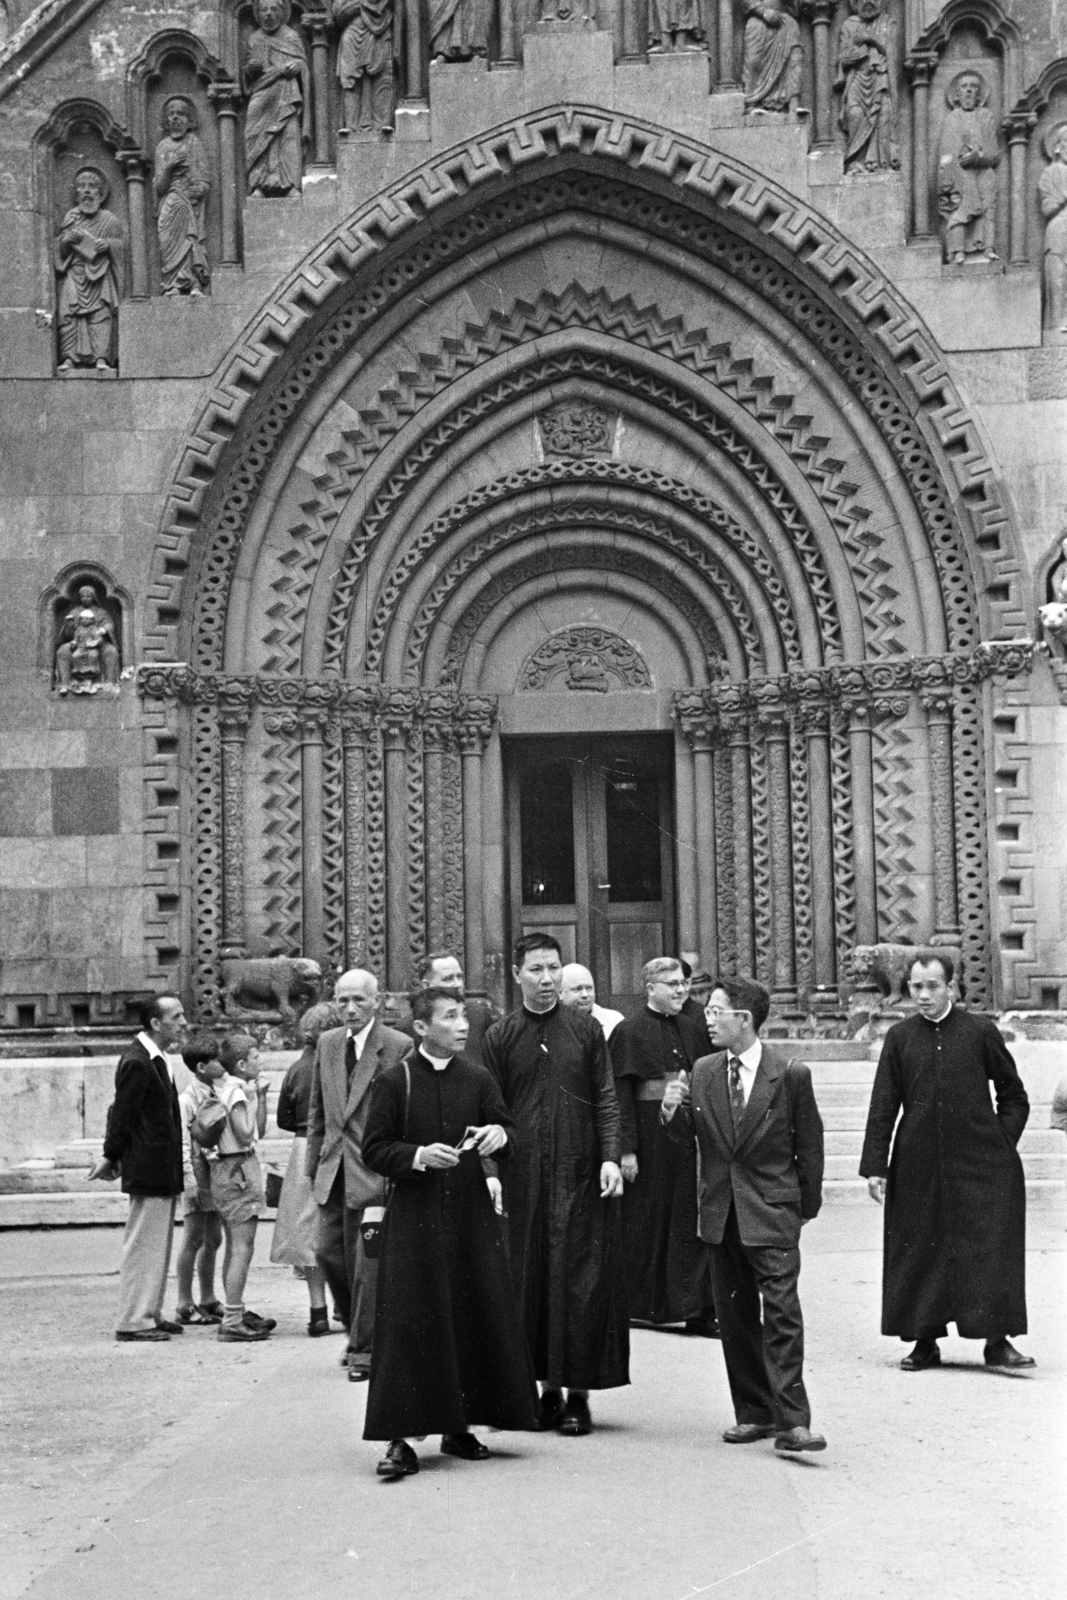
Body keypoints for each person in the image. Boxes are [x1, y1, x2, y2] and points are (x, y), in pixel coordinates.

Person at [362, 988, 538, 1477]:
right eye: (451, 1017)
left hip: (469, 1218)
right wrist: (417, 1156)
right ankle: (400, 1438)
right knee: (408, 1323)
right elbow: (374, 1149)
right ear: (421, 1028)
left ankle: (460, 1426)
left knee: (469, 1314)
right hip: (413, 1220)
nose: (463, 1026)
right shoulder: (395, 1081)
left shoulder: (478, 1078)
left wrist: (499, 1137)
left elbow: (508, 1134)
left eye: (464, 1017)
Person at [662, 976, 827, 1451]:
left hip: (772, 1212)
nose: (707, 1020)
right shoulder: (705, 1070)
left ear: (744, 1019)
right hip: (720, 1213)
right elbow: (686, 1138)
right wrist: (673, 1113)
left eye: (716, 1011)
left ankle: (793, 1421)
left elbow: (809, 1150)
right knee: (734, 1317)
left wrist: (799, 1210)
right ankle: (754, 1412)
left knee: (781, 1314)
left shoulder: (790, 1074)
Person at [860, 954, 1034, 1373]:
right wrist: (875, 1165)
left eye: (933, 986)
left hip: (981, 1164)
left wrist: (999, 1143)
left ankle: (997, 1341)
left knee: (989, 1247)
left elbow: (1014, 1095)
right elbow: (884, 1104)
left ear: (952, 988)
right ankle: (924, 1340)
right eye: (916, 987)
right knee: (920, 1247)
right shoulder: (900, 1038)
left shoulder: (979, 1032)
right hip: (917, 1164)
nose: (923, 995)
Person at [483, 934, 628, 1437]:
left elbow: (607, 1098)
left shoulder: (585, 1030)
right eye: (537, 970)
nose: (547, 979)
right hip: (524, 1178)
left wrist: (610, 1157)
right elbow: (491, 1112)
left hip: (580, 1174)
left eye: (554, 969)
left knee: (580, 1281)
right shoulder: (501, 1036)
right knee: (531, 1281)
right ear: (516, 974)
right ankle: (545, 1391)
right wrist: (492, 1174)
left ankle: (579, 1396)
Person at [306, 968, 411, 1380]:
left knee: (368, 1263)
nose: (349, 1008)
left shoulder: (398, 1046)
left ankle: (366, 1350)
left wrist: (395, 1170)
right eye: (342, 1000)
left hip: (374, 1173)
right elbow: (318, 1113)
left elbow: (402, 1115)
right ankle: (356, 1329)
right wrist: (314, 1167)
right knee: (328, 1254)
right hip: (333, 1173)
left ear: (377, 1001)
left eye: (359, 1001)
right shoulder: (328, 1044)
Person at [611, 957, 718, 1335]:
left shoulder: (693, 1028)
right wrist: (625, 1150)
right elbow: (621, 1096)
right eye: (671, 984)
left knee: (689, 1224)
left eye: (683, 983)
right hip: (649, 1143)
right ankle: (644, 1307)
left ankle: (694, 1308)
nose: (680, 990)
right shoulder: (628, 1031)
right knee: (649, 1226)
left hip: (688, 1138)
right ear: (650, 988)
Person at [89, 995, 188, 1341]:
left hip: (160, 1165)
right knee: (144, 1244)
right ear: (156, 1024)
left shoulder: (156, 1058)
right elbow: (123, 1113)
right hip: (148, 1165)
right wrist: (111, 1153)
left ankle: (150, 1312)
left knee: (156, 1244)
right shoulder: (138, 1062)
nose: (183, 1022)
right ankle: (134, 1319)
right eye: (176, 1017)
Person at [271, 1001, 341, 1335]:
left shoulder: (296, 1068)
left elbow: (284, 1117)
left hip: (301, 1148)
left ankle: (317, 1311)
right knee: (336, 1226)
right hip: (331, 1146)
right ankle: (344, 1305)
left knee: (307, 1231)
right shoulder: (336, 1063)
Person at [208, 1034, 276, 1342]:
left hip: (230, 1169)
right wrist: (252, 1098)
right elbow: (247, 1135)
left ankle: (234, 1311)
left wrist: (258, 1098)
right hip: (238, 1170)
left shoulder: (232, 1089)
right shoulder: (236, 1092)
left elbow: (257, 1128)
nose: (260, 1062)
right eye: (256, 1057)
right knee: (242, 1248)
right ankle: (233, 1319)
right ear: (241, 1064)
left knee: (235, 1245)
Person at [175, 1031, 225, 1325]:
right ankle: (183, 1302)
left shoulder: (214, 1092)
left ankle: (207, 1297)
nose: (222, 1063)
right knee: (193, 1237)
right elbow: (183, 1141)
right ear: (201, 1067)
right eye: (215, 1060)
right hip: (196, 1169)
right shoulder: (187, 1099)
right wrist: (189, 1179)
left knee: (214, 1237)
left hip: (214, 1169)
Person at [54, 166, 124, 371]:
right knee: (69, 313)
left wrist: (109, 245)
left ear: (101, 194)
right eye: (82, 186)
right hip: (74, 274)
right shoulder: (71, 218)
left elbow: (120, 246)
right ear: (76, 193)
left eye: (92, 187)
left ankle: (101, 358)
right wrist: (66, 240)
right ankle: (69, 358)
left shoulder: (110, 220)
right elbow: (60, 251)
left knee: (101, 315)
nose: (86, 191)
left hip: (100, 275)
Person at [243, 0, 311, 196]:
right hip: (261, 93)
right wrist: (249, 70)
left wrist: (297, 67)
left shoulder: (291, 36)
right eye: (264, 10)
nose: (268, 14)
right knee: (256, 135)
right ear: (258, 14)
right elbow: (247, 72)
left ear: (282, 12)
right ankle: (258, 183)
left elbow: (302, 65)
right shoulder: (254, 39)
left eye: (273, 9)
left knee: (288, 136)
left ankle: (290, 184)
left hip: (286, 94)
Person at [938, 72, 1000, 266]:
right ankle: (957, 251)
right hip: (960, 173)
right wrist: (948, 181)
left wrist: (979, 158)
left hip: (983, 171)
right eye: (964, 87)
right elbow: (946, 155)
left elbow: (994, 153)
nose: (968, 91)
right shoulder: (953, 118)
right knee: (961, 208)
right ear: (957, 94)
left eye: (973, 87)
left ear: (979, 94)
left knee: (988, 207)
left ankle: (987, 248)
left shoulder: (986, 116)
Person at [394, 950, 499, 1065]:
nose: (458, 984)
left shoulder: (479, 1015)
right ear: (426, 985)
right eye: (448, 979)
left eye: (459, 977)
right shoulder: (407, 1028)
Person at [153, 97, 211, 296]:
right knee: (168, 243)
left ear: (190, 120)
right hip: (170, 203)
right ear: (166, 120)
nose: (175, 117)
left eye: (181, 114)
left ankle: (193, 282)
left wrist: (200, 189)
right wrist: (169, 168)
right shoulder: (162, 147)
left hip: (189, 203)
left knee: (190, 240)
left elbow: (204, 180)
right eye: (171, 114)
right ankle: (173, 284)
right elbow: (159, 187)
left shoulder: (195, 143)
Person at [558, 962, 624, 1041]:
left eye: (589, 988)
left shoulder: (614, 1021)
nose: (585, 995)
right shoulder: (550, 1023)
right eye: (578, 989)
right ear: (560, 993)